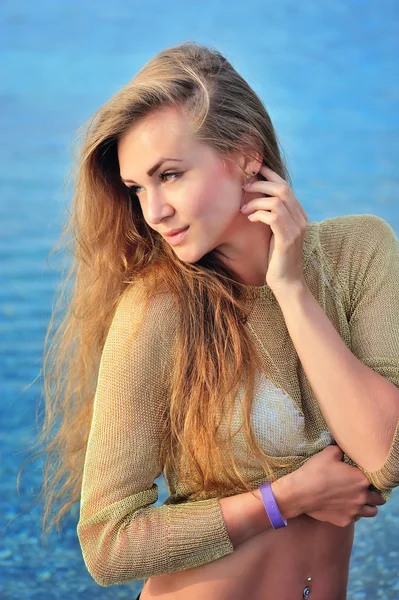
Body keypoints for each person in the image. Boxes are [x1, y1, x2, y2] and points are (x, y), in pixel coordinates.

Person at [30, 42, 399, 599]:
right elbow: (108, 544)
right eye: (137, 188)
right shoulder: (160, 309)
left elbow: (384, 452)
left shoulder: (359, 254)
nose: (153, 212)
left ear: (247, 155)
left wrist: (292, 290)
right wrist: (286, 498)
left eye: (170, 175)